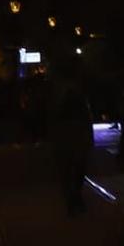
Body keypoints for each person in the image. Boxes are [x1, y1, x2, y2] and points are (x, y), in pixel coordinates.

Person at [48, 72, 94, 215]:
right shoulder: (80, 108)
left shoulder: (62, 108)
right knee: (76, 170)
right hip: (75, 140)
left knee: (68, 172)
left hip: (68, 141)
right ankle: (75, 198)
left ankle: (72, 199)